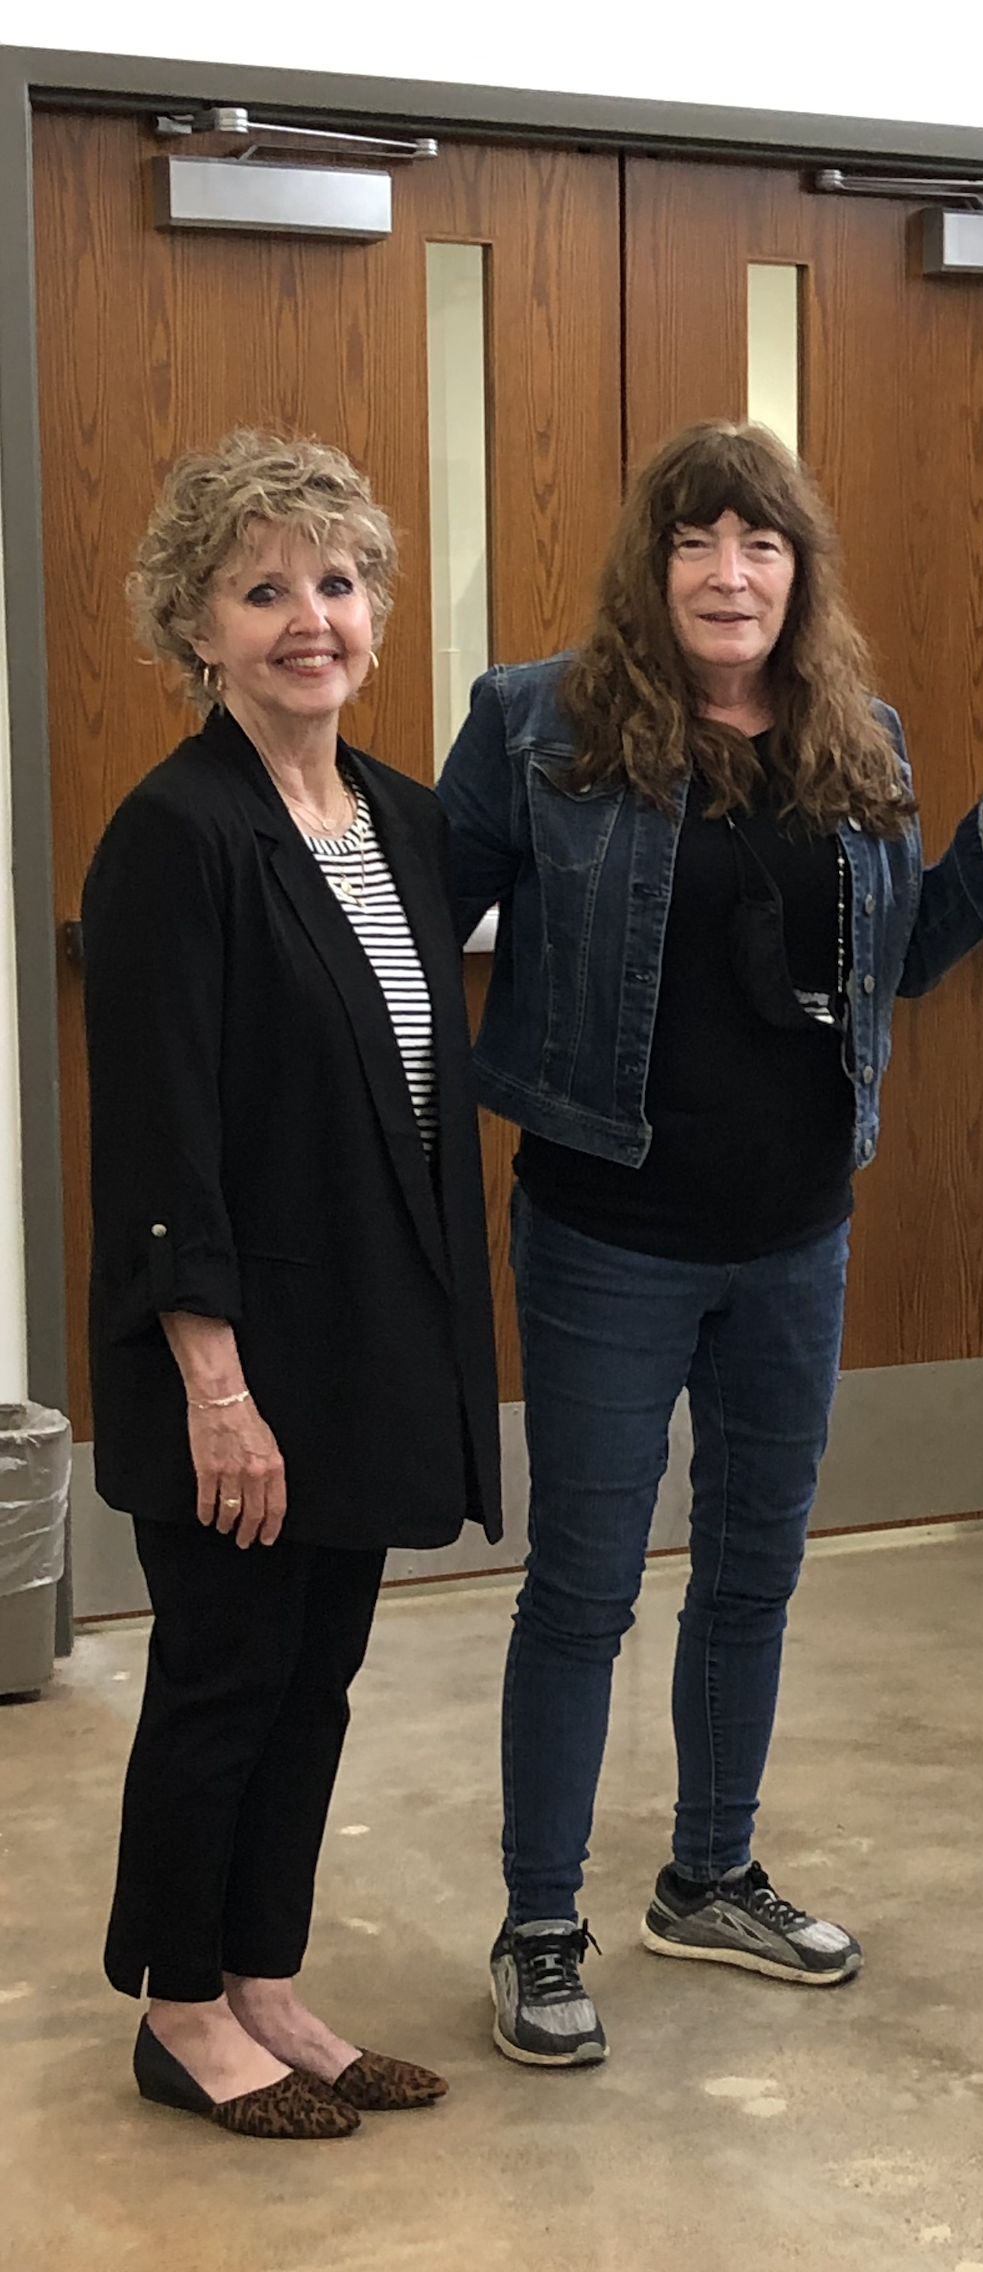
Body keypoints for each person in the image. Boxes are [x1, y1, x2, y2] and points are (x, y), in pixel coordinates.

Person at [439, 419, 983, 2067]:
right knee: (581, 1590)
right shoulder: (538, 723)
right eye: (698, 543)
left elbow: (904, 964)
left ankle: (708, 1875)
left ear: (800, 571)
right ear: (654, 570)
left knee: (756, 1572)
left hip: (796, 1236)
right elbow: (423, 933)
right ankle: (541, 1920)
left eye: (762, 545)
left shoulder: (859, 734)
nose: (730, 574)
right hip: (604, 1231)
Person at [87, 432, 502, 2137]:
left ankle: (266, 1978)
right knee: (221, 1675)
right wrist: (217, 1384)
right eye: (261, 591)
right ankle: (180, 2010)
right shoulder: (171, 838)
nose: (305, 618)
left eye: (334, 583)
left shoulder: (401, 819)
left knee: (313, 1676)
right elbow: (162, 1140)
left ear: (379, 614)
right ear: (198, 627)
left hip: (365, 1341)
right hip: (238, 1354)